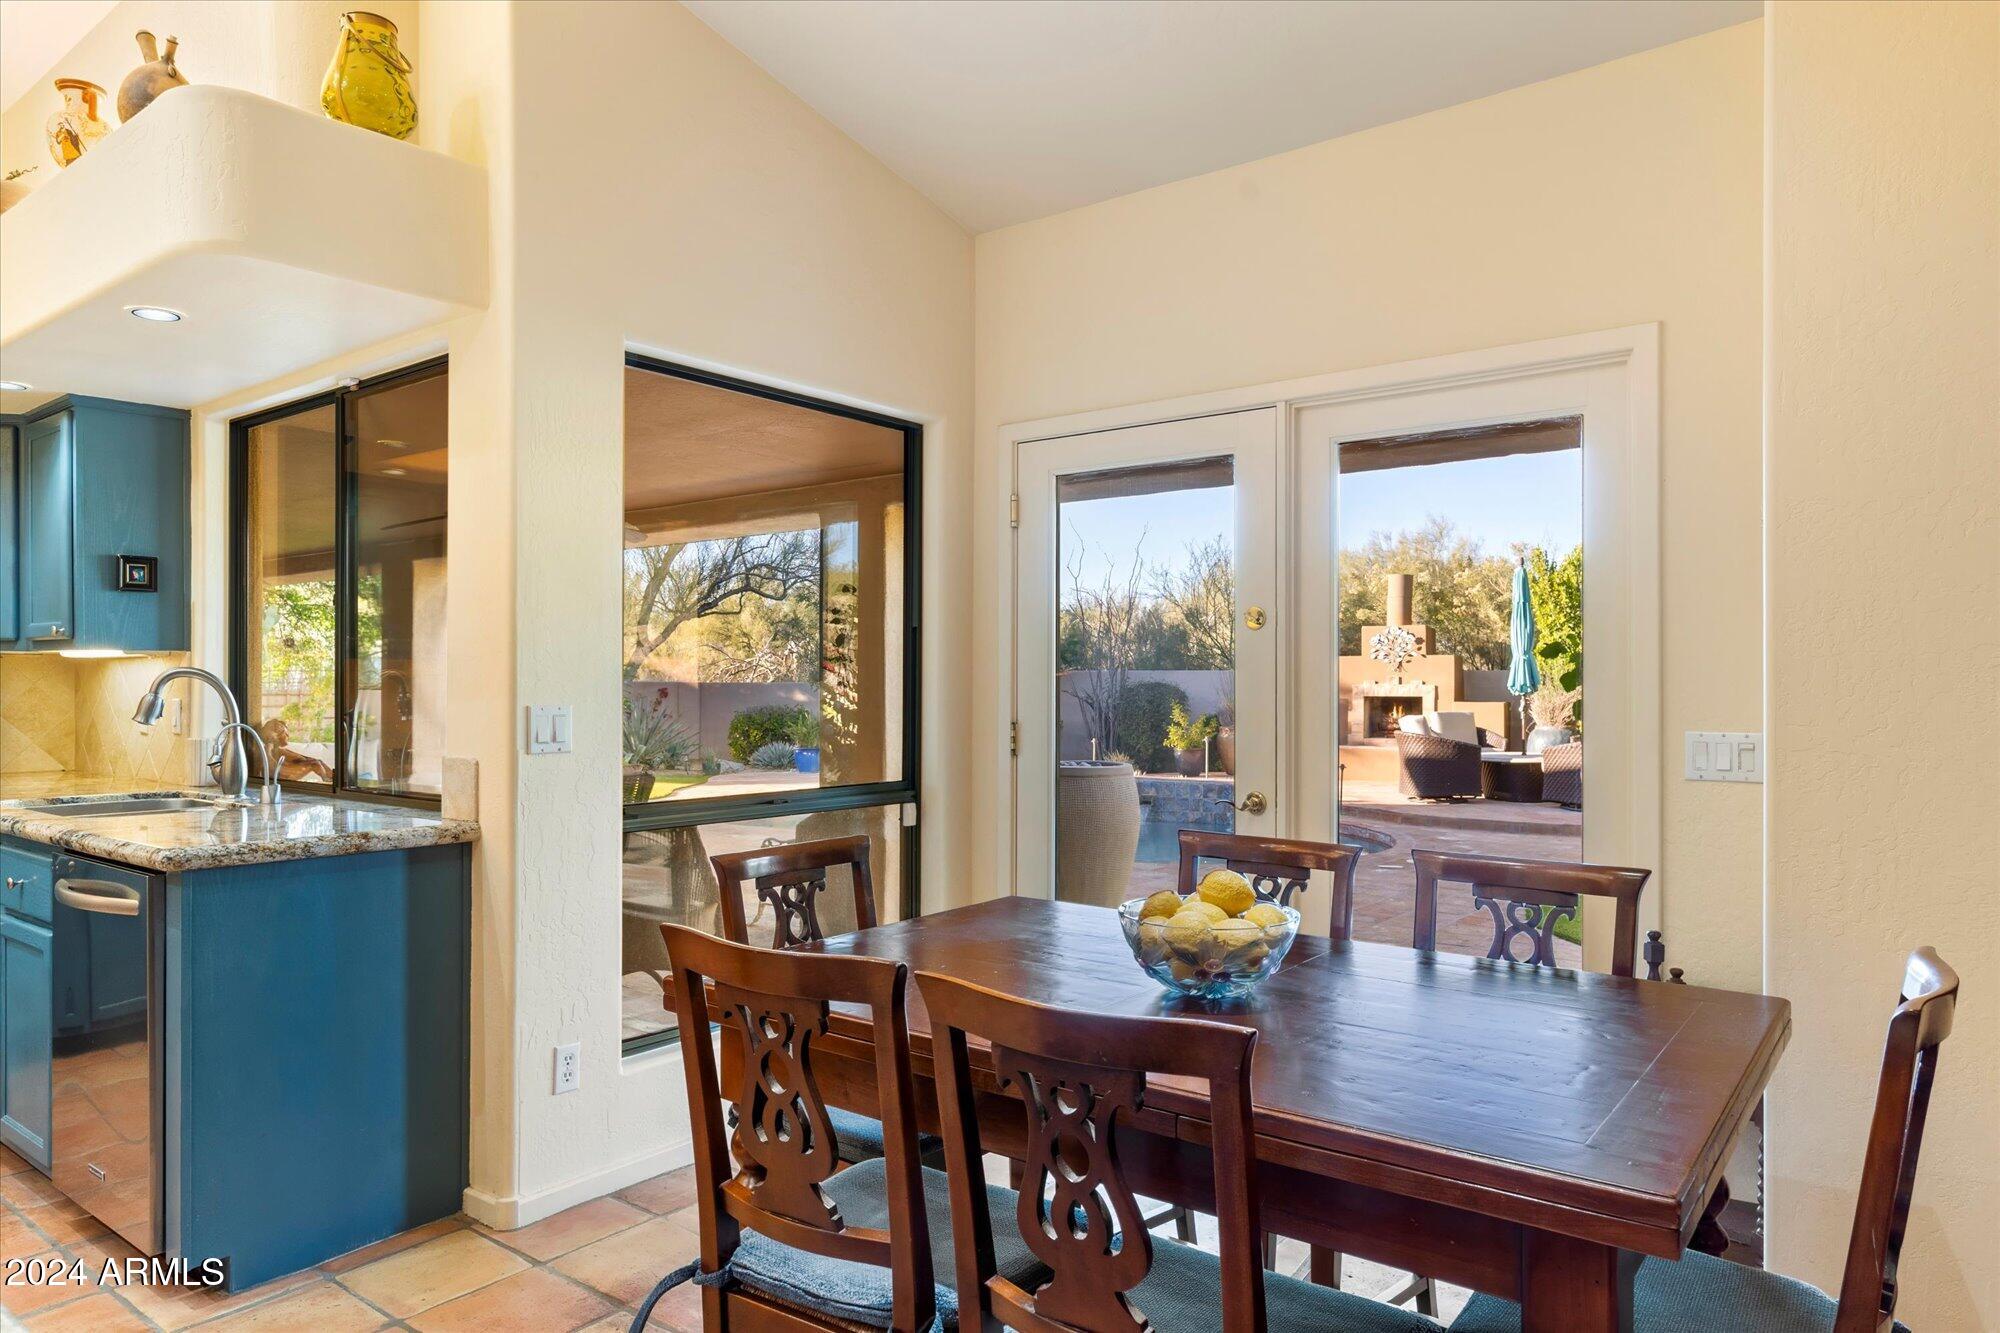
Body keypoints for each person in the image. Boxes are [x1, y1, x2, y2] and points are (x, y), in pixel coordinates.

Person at [255, 718, 333, 783]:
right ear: (275, 736)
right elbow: (271, 766)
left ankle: (332, 778)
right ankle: (327, 781)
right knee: (316, 764)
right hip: (280, 776)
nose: (288, 736)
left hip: (284, 772)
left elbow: (301, 758)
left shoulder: (279, 750)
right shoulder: (269, 748)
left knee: (318, 762)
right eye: (284, 733)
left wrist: (306, 760)